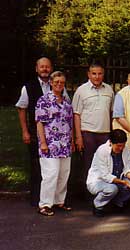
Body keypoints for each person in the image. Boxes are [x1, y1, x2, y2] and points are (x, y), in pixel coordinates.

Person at [16, 57, 69, 206]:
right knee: (37, 167)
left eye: (47, 67)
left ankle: (54, 200)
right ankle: (37, 199)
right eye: (42, 67)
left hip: (59, 137)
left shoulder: (60, 87)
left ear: (51, 68)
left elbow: (67, 108)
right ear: (36, 69)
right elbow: (21, 109)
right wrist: (25, 131)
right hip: (36, 133)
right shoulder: (29, 87)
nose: (45, 69)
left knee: (55, 171)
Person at [35, 71, 74, 216]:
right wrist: (43, 143)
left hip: (65, 145)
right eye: (56, 82)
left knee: (64, 174)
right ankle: (44, 205)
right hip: (50, 144)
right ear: (51, 83)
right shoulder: (43, 100)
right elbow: (39, 123)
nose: (59, 84)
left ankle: (59, 201)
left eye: (62, 82)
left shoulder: (66, 102)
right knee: (51, 174)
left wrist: (71, 140)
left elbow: (70, 123)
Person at [72, 63, 114, 195]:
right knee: (89, 165)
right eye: (94, 73)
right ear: (89, 74)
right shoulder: (81, 90)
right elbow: (76, 114)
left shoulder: (109, 90)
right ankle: (88, 194)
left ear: (103, 74)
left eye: (100, 73)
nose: (97, 76)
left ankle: (104, 192)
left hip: (105, 133)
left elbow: (112, 113)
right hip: (87, 133)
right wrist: (78, 137)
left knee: (105, 164)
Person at [87, 129, 130, 217]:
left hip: (117, 178)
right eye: (118, 146)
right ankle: (98, 205)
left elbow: (127, 167)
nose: (121, 148)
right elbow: (105, 176)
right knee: (112, 189)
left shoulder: (125, 149)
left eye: (123, 146)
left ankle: (117, 203)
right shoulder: (102, 150)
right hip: (99, 181)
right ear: (111, 142)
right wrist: (123, 182)